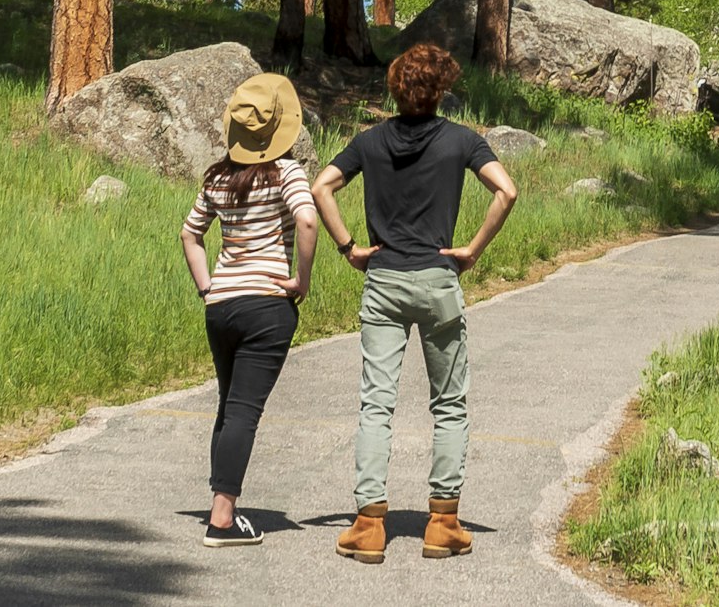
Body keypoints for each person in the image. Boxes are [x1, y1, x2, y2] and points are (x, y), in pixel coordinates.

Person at [315, 40, 518, 562]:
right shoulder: (461, 141)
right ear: (442, 89)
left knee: (376, 404)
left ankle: (367, 526)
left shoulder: (369, 142)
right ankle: (443, 524)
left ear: (397, 89)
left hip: (383, 280)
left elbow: (322, 188)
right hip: (437, 280)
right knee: (449, 404)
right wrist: (471, 250)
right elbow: (507, 192)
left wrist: (350, 248)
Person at [179, 71, 316, 545]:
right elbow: (307, 219)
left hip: (221, 306)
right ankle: (222, 518)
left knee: (228, 405)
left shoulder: (217, 177)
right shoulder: (287, 173)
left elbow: (189, 234)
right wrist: (302, 278)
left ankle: (221, 498)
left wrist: (207, 287)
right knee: (244, 411)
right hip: (266, 305)